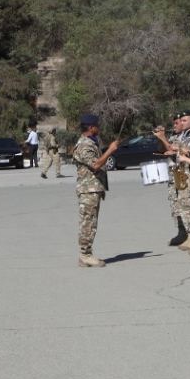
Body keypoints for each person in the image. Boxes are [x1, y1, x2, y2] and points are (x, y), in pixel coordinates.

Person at [73, 113, 120, 267]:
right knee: (88, 223)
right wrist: (110, 151)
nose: (99, 128)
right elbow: (95, 165)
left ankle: (86, 254)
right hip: (88, 191)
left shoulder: (92, 142)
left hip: (93, 189)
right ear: (91, 128)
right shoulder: (84, 145)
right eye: (97, 126)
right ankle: (85, 255)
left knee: (91, 222)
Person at [154, 111, 190, 248]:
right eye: (177, 122)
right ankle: (182, 232)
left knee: (187, 206)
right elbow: (165, 149)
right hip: (176, 173)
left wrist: (164, 139)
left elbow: (186, 150)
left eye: (181, 121)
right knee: (177, 206)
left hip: (186, 173)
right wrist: (160, 139)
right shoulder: (177, 136)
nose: (176, 124)